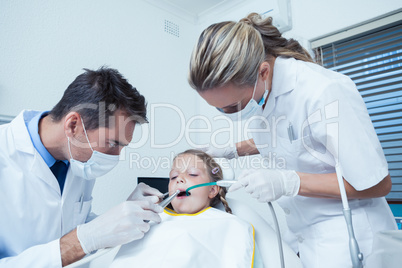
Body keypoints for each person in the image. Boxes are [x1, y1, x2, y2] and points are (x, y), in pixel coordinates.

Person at [187, 12, 397, 267]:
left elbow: (377, 184)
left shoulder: (322, 91)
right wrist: (233, 149)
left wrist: (290, 182)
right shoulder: (263, 92)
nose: (228, 114)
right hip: (302, 234)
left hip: (348, 234)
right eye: (219, 109)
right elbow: (294, 137)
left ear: (263, 72)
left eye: (232, 106)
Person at [0, 67, 164, 268]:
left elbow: (71, 226)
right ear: (73, 125)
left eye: (122, 146)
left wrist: (121, 216)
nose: (116, 156)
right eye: (113, 143)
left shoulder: (79, 159)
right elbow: (81, 238)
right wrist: (84, 239)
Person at [111, 149, 259, 268]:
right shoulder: (147, 220)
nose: (180, 179)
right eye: (174, 177)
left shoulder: (231, 226)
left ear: (212, 190)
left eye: (192, 174)